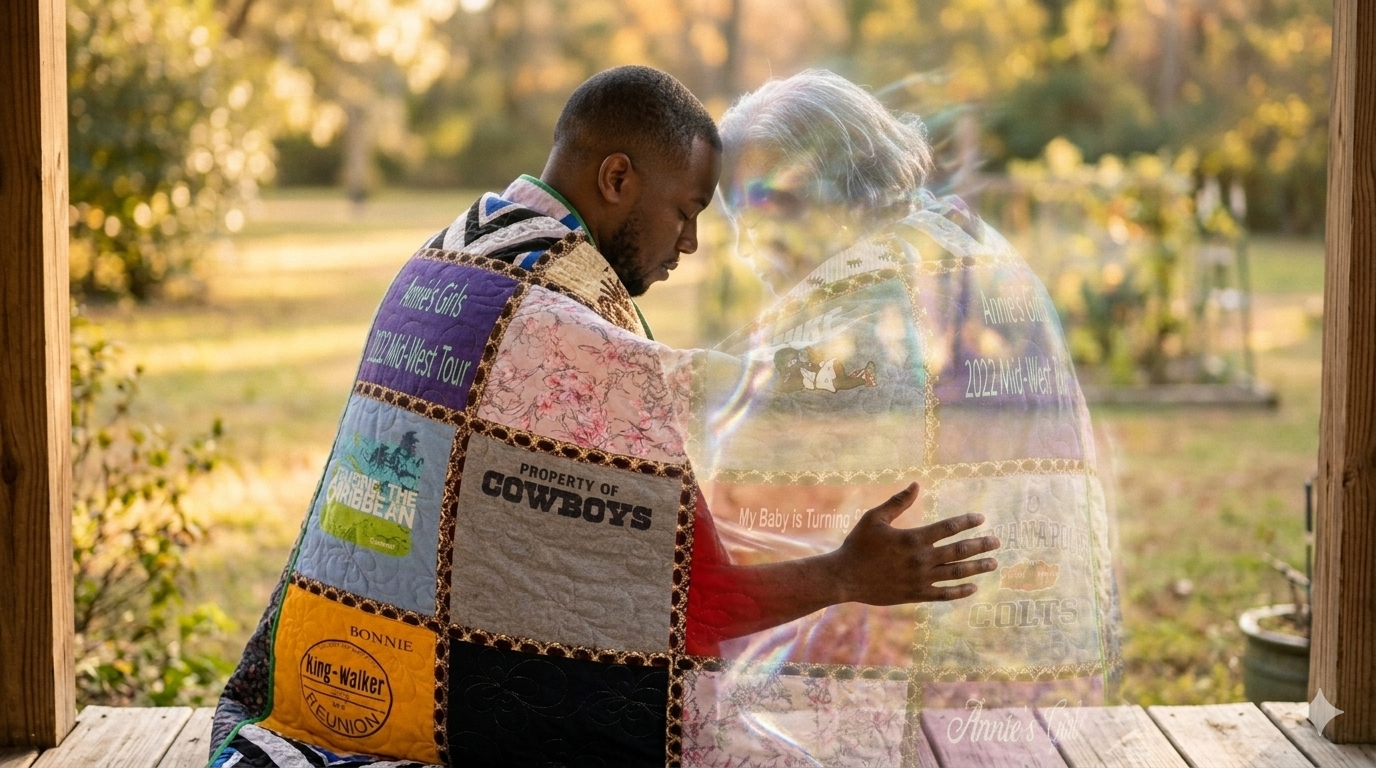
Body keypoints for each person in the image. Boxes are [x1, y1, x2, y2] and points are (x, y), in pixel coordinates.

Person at [210, 66, 999, 768]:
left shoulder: (451, 254)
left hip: (327, 677)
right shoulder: (564, 319)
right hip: (410, 718)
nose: (689, 244)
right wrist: (847, 574)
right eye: (686, 210)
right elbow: (693, 602)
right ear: (618, 177)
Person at [679, 69, 1120, 763]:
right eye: (743, 215)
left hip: (925, 661)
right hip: (1020, 692)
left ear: (852, 187)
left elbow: (755, 442)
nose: (752, 241)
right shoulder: (957, 241)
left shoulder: (873, 289)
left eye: (782, 204)